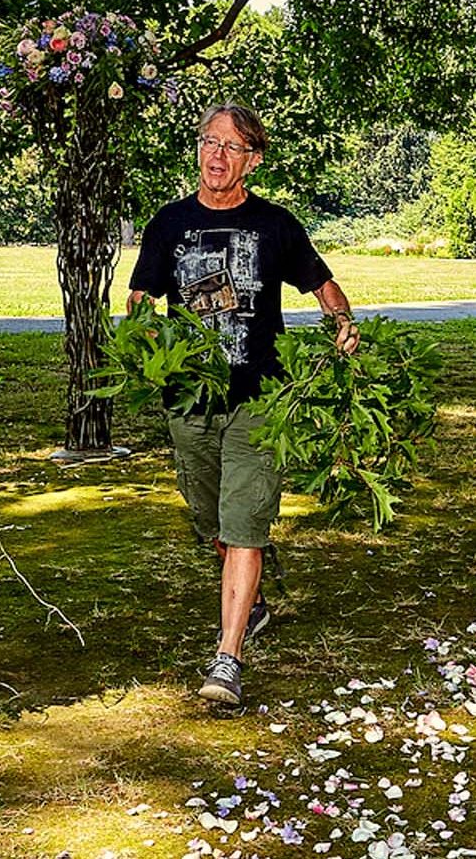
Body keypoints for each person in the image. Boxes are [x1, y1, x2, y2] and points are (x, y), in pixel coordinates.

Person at [128, 102, 358, 706]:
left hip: (260, 396)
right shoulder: (168, 224)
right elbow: (141, 299)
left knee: (246, 520)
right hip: (190, 399)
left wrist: (344, 320)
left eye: (231, 147)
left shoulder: (276, 224)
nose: (216, 156)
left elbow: (320, 281)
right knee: (215, 521)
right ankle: (250, 589)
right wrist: (144, 339)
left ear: (252, 160)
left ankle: (227, 657)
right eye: (209, 142)